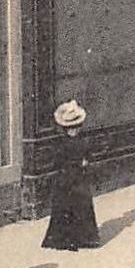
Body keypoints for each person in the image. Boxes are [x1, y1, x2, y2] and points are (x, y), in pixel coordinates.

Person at [41, 100, 100, 250]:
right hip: (71, 179)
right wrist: (80, 163)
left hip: (71, 178)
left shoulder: (72, 142)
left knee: (75, 206)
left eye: (76, 127)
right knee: (72, 207)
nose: (74, 130)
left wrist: (84, 162)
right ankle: (73, 239)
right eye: (71, 128)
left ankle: (76, 238)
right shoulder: (70, 143)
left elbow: (86, 156)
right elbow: (60, 162)